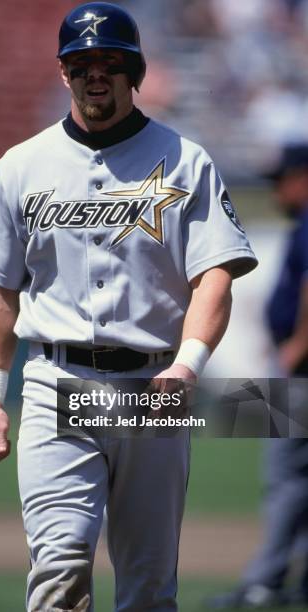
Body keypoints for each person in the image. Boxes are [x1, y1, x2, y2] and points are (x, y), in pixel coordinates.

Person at [0, 3, 257, 610]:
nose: (95, 73)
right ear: (63, 74)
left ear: (134, 73)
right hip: (56, 383)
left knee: (147, 585)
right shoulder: (21, 165)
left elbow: (215, 275)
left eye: (110, 61)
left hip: (153, 385)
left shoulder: (185, 160)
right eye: (81, 61)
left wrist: (187, 366)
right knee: (60, 567)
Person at [206, 144, 308, 609]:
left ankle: (264, 582)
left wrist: (296, 347)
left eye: (281, 178)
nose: (276, 189)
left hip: (300, 372)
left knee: (284, 476)